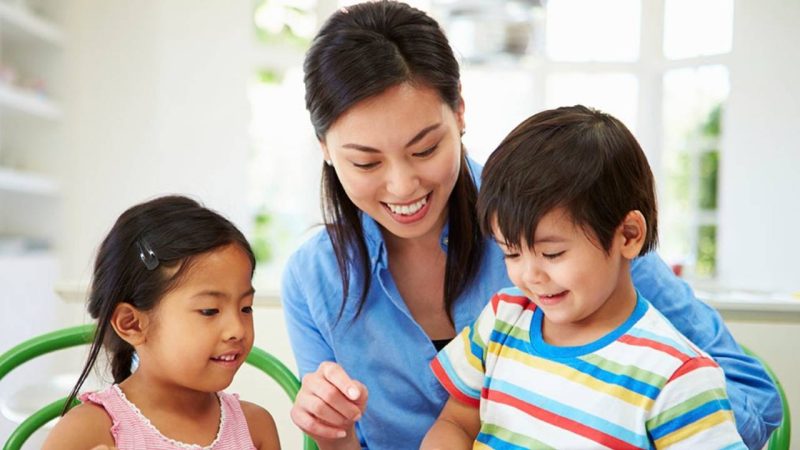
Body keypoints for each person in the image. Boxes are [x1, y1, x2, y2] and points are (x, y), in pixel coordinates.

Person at [281, 1, 781, 449]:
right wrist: (332, 430)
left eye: (425, 148)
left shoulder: (562, 219)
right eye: (366, 162)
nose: (402, 185)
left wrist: (631, 409)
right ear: (325, 148)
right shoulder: (313, 279)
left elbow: (753, 397)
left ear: (460, 113)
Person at [421, 105, 746, 449]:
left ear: (629, 235)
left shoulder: (677, 376)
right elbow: (455, 422)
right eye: (511, 253)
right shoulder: (503, 319)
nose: (530, 275)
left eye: (552, 254)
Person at [42, 196, 280, 450]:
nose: (237, 329)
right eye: (209, 310)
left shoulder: (256, 427)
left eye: (246, 308)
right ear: (132, 324)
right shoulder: (88, 431)